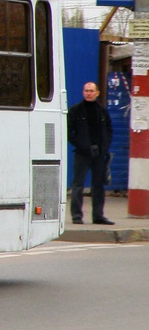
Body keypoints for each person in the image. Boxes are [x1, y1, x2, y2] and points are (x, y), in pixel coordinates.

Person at [68, 80, 114, 225]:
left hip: (99, 154)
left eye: (91, 91)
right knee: (78, 185)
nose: (88, 93)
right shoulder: (76, 110)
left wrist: (104, 148)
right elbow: (69, 131)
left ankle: (98, 216)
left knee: (98, 186)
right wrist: (82, 145)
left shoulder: (102, 111)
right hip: (82, 153)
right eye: (86, 91)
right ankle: (76, 216)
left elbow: (108, 130)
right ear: (83, 93)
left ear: (97, 93)